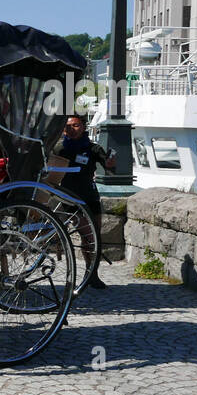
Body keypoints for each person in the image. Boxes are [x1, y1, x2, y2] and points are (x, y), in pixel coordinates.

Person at [53, 113, 116, 289]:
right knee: (87, 235)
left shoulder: (92, 149)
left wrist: (110, 163)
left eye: (75, 125)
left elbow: (109, 167)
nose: (70, 129)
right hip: (69, 198)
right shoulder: (59, 149)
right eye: (67, 126)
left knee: (93, 237)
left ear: (83, 127)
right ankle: (89, 274)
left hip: (90, 197)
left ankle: (92, 273)